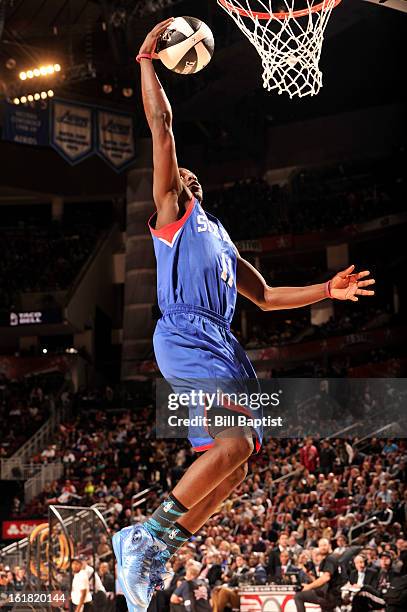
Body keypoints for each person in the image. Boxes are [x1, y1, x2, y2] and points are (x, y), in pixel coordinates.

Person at [112, 17, 376, 612]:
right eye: (170, 171)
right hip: (184, 333)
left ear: (195, 187)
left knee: (241, 459)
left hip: (225, 347)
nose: (174, 172)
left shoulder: (220, 236)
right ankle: (143, 536)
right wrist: (148, 66)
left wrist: (327, 289)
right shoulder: (169, 217)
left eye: (180, 173)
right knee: (232, 446)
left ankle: (159, 547)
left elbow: (268, 296)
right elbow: (162, 127)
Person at [294, 538, 344, 612]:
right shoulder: (327, 560)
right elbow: (318, 580)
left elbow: (326, 578)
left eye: (325, 545)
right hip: (328, 594)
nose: (323, 547)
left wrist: (308, 587)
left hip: (331, 595)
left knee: (298, 596)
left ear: (330, 546)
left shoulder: (330, 558)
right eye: (321, 545)